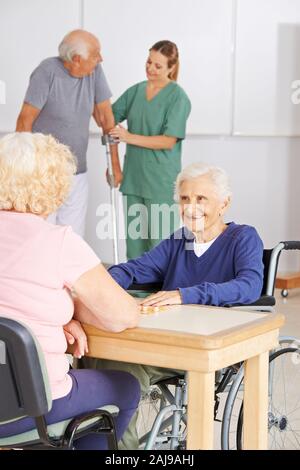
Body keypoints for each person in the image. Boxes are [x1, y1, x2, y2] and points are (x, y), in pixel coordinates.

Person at [87, 162, 264, 449]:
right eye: (185, 199)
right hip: (163, 341)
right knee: (93, 355)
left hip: (205, 348)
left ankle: (121, 451)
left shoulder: (243, 237)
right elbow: (134, 269)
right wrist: (100, 285)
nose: (191, 207)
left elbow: (249, 286)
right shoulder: (178, 241)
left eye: (201, 199)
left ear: (224, 203)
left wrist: (185, 294)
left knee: (118, 369)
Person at [0, 132, 140, 450]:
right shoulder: (58, 242)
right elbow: (123, 316)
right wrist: (72, 306)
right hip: (36, 406)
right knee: (126, 386)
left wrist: (59, 315)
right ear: (52, 186)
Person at [15, 30, 122, 237]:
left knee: (71, 237)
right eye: (95, 54)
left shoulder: (95, 71)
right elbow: (25, 119)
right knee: (43, 234)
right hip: (44, 172)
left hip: (77, 172)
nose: (100, 58)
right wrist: (25, 170)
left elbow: (106, 119)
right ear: (76, 59)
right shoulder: (46, 72)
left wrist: (114, 166)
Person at [109, 40, 191, 259]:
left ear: (171, 68)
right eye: (149, 62)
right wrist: (114, 166)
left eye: (158, 66)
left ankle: (160, 291)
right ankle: (135, 291)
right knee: (134, 243)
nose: (150, 69)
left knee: (159, 242)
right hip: (134, 179)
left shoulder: (178, 97)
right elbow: (108, 120)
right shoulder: (135, 92)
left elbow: (168, 141)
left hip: (160, 181)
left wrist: (128, 137)